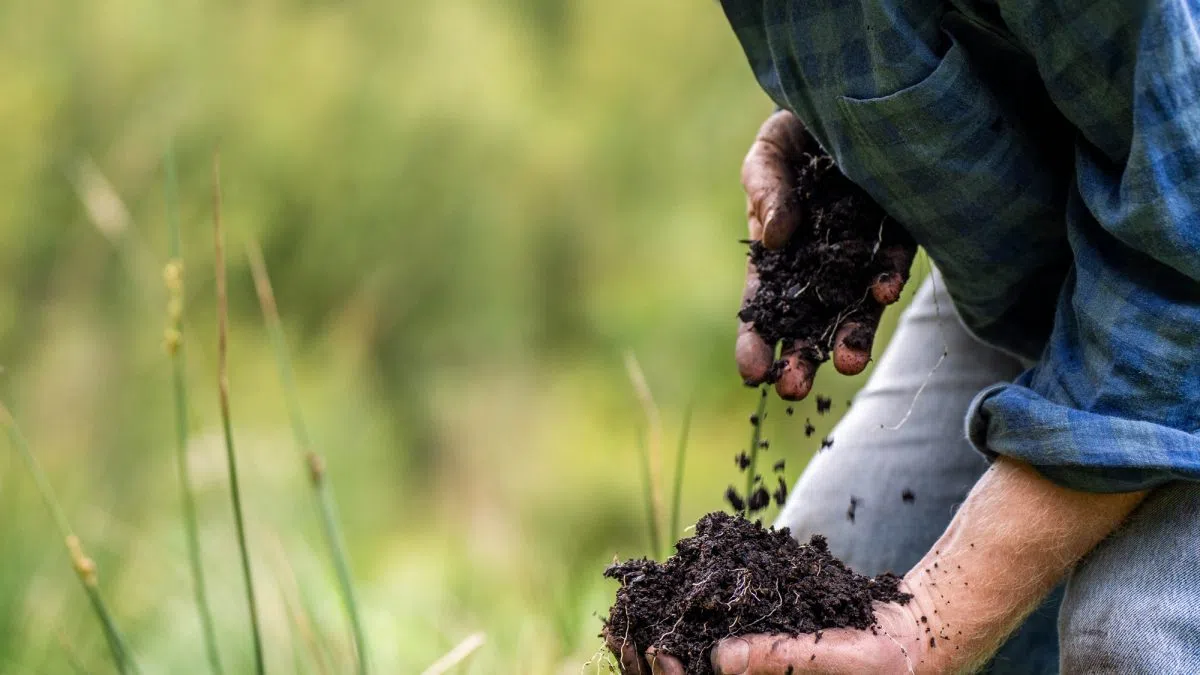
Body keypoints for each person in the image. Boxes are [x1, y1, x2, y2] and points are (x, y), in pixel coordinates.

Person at [614, 0, 1200, 672]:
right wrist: (868, 141)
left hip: (1179, 268)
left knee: (1132, 638)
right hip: (1079, 249)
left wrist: (928, 628)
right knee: (832, 583)